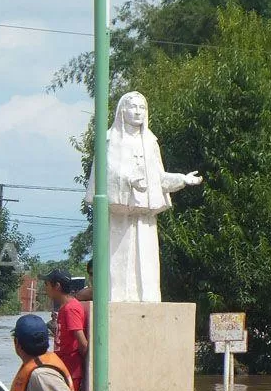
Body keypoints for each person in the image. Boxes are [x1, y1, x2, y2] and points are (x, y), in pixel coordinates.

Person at [85, 91, 202, 302]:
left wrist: (182, 179)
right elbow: (105, 173)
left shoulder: (150, 142)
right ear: (122, 110)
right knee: (117, 260)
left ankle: (146, 298)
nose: (138, 112)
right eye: (133, 107)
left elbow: (158, 178)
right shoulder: (109, 140)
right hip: (118, 214)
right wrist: (129, 180)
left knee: (146, 261)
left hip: (145, 217)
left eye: (142, 108)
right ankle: (117, 298)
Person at [43, 269, 88, 391]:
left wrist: (76, 367)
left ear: (57, 286)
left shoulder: (70, 309)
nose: (45, 288)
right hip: (63, 368)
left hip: (70, 371)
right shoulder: (65, 307)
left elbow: (83, 344)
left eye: (47, 284)